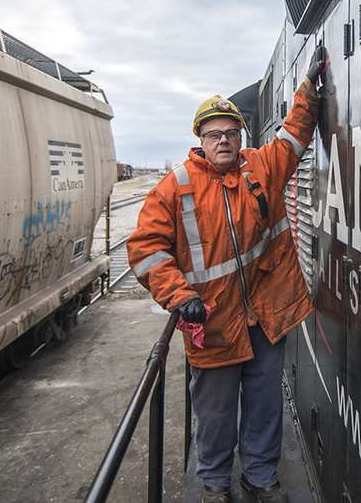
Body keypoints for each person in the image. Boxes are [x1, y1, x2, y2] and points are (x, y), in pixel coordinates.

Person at [127, 50, 326, 503]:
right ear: (200, 139)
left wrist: (308, 90)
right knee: (214, 416)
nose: (224, 141)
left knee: (264, 406)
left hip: (263, 317)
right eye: (215, 134)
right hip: (212, 325)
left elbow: (294, 137)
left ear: (241, 136)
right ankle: (214, 485)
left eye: (231, 133)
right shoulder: (174, 188)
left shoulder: (261, 167)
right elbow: (144, 249)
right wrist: (178, 295)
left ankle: (259, 478)